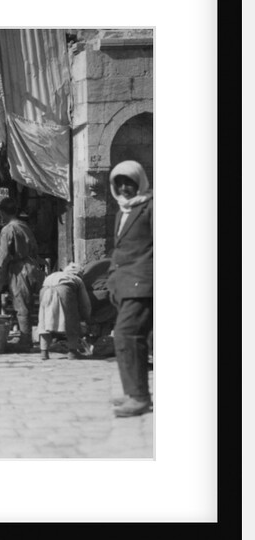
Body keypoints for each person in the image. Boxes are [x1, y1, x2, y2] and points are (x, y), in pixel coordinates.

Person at [108, 160, 154, 417]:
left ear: (140, 182)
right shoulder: (121, 213)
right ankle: (132, 393)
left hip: (143, 283)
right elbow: (120, 250)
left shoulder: (150, 208)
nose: (125, 188)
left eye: (129, 182)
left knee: (128, 336)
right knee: (127, 338)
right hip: (124, 285)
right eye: (119, 183)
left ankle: (139, 397)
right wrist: (112, 278)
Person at [0, 196, 42, 352]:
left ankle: (25, 340)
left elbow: (3, 256)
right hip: (32, 266)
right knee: (29, 304)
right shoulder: (24, 225)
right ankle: (27, 337)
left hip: (19, 270)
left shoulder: (7, 229)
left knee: (21, 305)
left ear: (3, 213)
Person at [37, 262, 93, 360]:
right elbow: (85, 303)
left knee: (44, 321)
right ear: (79, 273)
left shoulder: (54, 274)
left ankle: (44, 352)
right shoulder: (77, 279)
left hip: (44, 290)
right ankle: (73, 352)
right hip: (64, 289)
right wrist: (86, 317)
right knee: (72, 320)